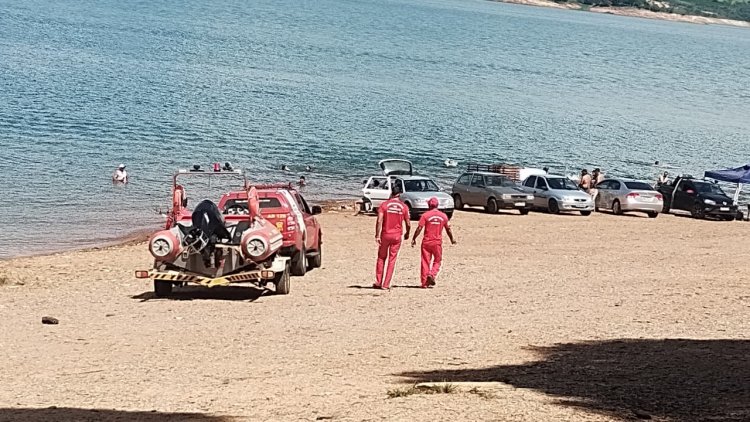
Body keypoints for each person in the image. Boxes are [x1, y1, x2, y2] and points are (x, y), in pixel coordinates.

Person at [411, 197, 456, 288]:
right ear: (437, 205)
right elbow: (448, 229)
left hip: (427, 241)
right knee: (437, 261)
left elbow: (419, 228)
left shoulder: (425, 215)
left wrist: (414, 238)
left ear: (429, 205)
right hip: (437, 242)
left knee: (425, 261)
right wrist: (452, 239)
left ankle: (424, 283)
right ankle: (432, 274)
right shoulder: (443, 216)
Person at [374, 184, 410, 290]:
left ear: (391, 193)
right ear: (399, 194)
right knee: (392, 259)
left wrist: (377, 234)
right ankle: (386, 284)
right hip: (397, 235)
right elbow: (408, 222)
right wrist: (408, 232)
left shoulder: (384, 205)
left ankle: (378, 281)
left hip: (385, 234)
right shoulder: (404, 206)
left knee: (381, 257)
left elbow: (379, 220)